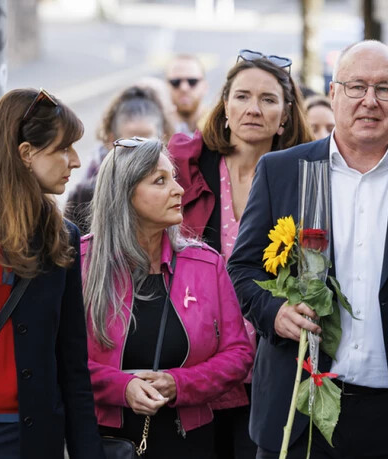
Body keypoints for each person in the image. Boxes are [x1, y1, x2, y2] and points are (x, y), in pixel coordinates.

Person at [228, 40, 388, 458]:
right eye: (357, 86)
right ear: (335, 91)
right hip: (299, 407)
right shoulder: (283, 170)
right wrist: (276, 313)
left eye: (384, 89)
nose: (369, 101)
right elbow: (244, 266)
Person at [0, 88, 105, 458]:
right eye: (63, 148)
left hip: (26, 439)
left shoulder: (62, 238)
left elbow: (71, 363)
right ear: (26, 154)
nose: (75, 161)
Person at [168, 48, 312, 459]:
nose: (254, 108)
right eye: (243, 96)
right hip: (194, 358)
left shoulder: (303, 176)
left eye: (268, 99)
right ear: (225, 106)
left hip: (272, 355)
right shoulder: (184, 164)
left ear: (285, 115)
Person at [83, 137, 254, 458]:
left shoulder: (206, 263)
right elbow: (61, 357)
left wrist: (180, 383)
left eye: (173, 177)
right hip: (105, 441)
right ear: (124, 193)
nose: (178, 189)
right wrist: (121, 387)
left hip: (191, 441)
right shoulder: (80, 263)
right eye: (160, 181)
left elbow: (239, 353)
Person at [65, 85, 172, 234]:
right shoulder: (84, 197)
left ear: (163, 139)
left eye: (148, 141)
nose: (141, 151)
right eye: (131, 142)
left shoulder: (175, 192)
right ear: (111, 141)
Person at [166, 54, 209, 135]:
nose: (184, 88)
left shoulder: (218, 128)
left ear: (205, 87)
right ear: (166, 87)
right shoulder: (157, 129)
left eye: (192, 81)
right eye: (175, 82)